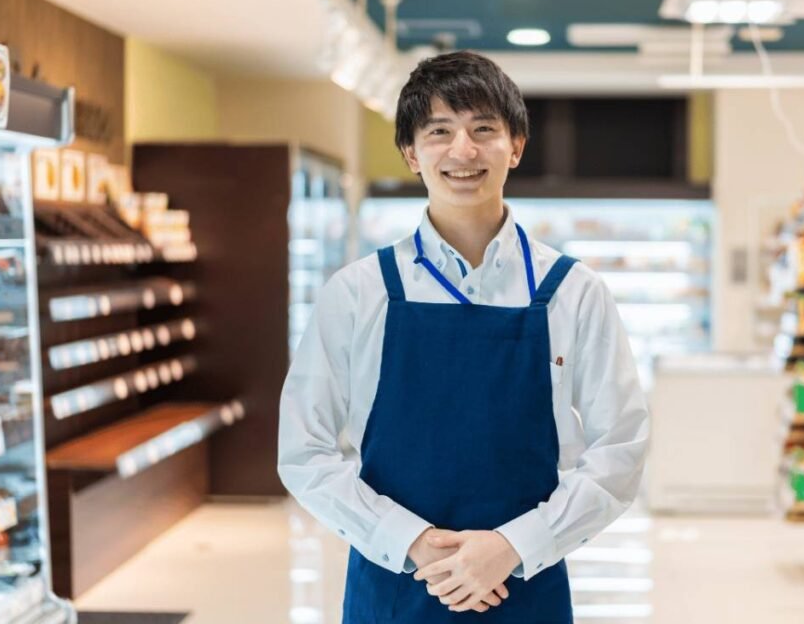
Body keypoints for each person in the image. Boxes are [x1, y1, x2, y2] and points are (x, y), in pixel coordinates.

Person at [278, 50, 649, 623]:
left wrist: (513, 547)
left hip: (525, 588)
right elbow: (303, 452)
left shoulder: (574, 292)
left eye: (484, 130)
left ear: (516, 146)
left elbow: (620, 448)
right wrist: (414, 543)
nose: (463, 151)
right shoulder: (358, 293)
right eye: (439, 131)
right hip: (397, 586)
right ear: (410, 153)